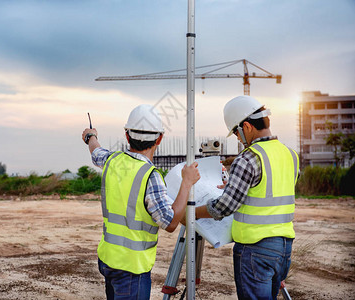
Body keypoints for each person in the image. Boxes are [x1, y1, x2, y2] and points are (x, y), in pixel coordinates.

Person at [82, 104, 200, 300]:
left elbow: (96, 151)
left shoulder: (112, 161)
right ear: (159, 138)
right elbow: (170, 223)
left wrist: (90, 136)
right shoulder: (150, 176)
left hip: (108, 260)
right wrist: (187, 183)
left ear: (127, 135)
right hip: (131, 268)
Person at [196, 95, 299, 300]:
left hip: (255, 249)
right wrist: (238, 186)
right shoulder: (290, 154)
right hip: (284, 249)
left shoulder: (249, 157)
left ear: (247, 126)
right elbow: (271, 192)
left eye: (236, 132)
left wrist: (192, 211)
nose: (237, 137)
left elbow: (224, 207)